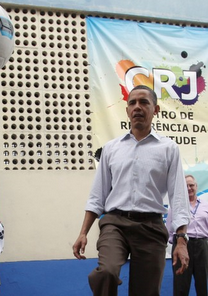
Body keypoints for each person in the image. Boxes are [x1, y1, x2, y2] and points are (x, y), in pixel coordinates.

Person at [72, 85, 190, 296]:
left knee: (146, 291)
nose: (137, 107)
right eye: (132, 103)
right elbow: (97, 196)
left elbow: (178, 197)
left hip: (151, 227)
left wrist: (181, 240)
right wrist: (83, 233)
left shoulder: (168, 148)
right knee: (106, 272)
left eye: (144, 102)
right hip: (115, 224)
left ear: (156, 110)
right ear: (127, 111)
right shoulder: (111, 149)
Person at [166, 175, 208, 296]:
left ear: (196, 186)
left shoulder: (205, 205)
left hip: (201, 245)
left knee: (202, 284)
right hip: (182, 244)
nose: (189, 188)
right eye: (186, 186)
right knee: (181, 284)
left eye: (191, 185)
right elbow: (169, 228)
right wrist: (175, 242)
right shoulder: (176, 206)